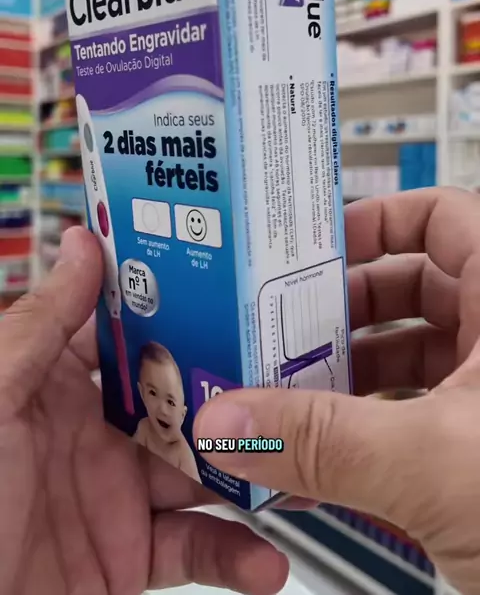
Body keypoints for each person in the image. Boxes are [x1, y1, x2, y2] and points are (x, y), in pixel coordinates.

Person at [0, 187, 477, 595]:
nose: (161, 407)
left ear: (186, 407)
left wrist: (276, 442)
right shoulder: (141, 436)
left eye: (172, 400)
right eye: (153, 395)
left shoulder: (194, 444)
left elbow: (258, 445)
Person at [134, 341, 200, 482]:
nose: (162, 409)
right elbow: (131, 460)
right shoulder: (144, 429)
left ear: (182, 415)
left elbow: (196, 492)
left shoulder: (182, 455)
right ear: (142, 393)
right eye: (153, 393)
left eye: (170, 402)